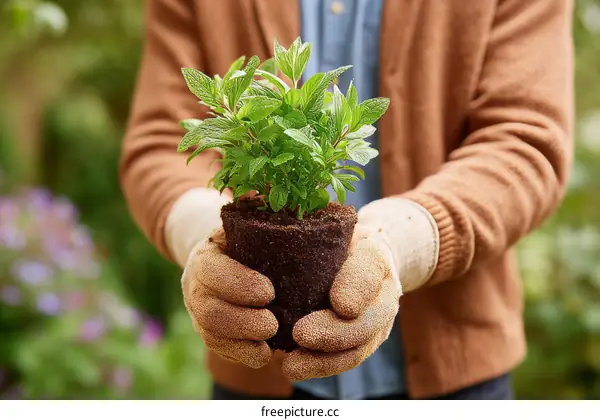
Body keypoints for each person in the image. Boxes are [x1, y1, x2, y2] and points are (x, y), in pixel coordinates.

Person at [119, 0, 574, 400]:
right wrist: (205, 232)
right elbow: (161, 139)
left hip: (459, 382)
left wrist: (405, 240)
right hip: (257, 379)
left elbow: (525, 140)